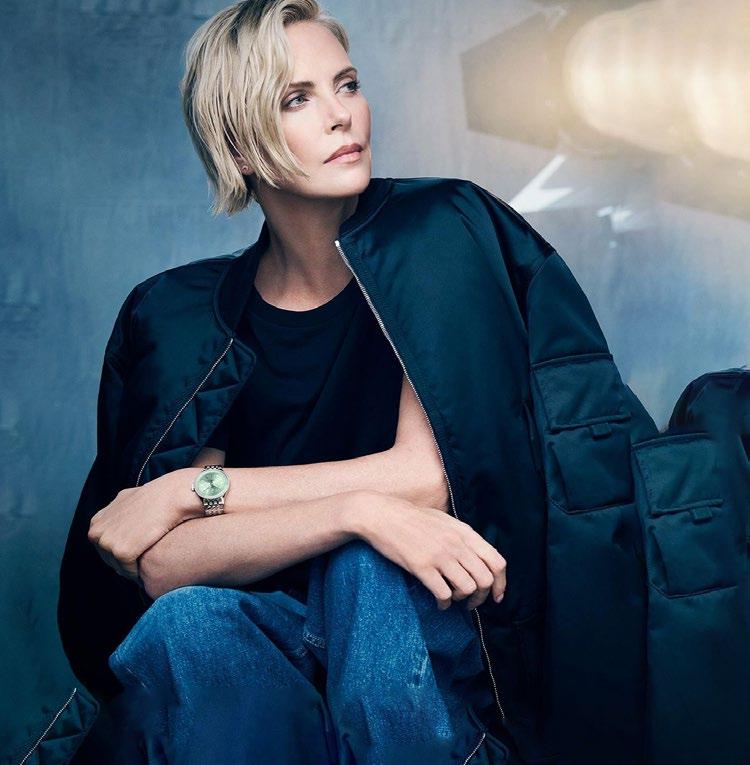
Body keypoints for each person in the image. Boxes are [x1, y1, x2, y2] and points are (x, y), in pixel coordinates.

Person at [73, 1, 514, 763]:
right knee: (190, 624)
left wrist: (189, 491)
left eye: (347, 84)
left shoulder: (435, 236)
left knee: (366, 569)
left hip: (431, 628)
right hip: (283, 638)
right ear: (239, 148)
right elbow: (165, 564)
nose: (343, 115)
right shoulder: (193, 315)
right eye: (296, 99)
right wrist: (354, 508)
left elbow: (426, 479)